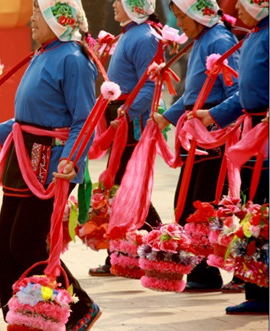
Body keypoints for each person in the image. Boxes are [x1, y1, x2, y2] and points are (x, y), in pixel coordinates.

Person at [0, 0, 101, 329]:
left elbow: (84, 119)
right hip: (23, 155)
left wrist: (73, 159)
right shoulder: (44, 52)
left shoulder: (73, 58)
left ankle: (80, 307)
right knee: (4, 240)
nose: (31, 19)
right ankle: (21, 317)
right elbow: (31, 115)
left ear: (60, 19)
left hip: (52, 160)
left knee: (26, 241)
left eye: (38, 13)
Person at [152, 0, 240, 291]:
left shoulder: (219, 39)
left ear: (198, 14)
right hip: (199, 131)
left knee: (210, 203)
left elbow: (236, 92)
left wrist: (214, 117)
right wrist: (167, 117)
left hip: (214, 134)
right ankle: (202, 272)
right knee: (190, 202)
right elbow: (194, 95)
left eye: (181, 16)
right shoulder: (203, 40)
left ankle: (231, 271)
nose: (180, 24)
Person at [193, 0, 268, 314]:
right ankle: (258, 291)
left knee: (262, 212)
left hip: (264, 129)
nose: (236, 4)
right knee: (256, 213)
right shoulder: (253, 36)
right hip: (255, 132)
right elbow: (245, 92)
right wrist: (214, 114)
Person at [89, 0, 163, 277]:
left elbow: (151, 86)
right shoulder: (130, 33)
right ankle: (125, 256)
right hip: (120, 120)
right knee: (119, 189)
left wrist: (127, 113)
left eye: (119, 1)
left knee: (126, 187)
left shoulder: (144, 37)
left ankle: (158, 248)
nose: (113, 5)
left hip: (130, 125)